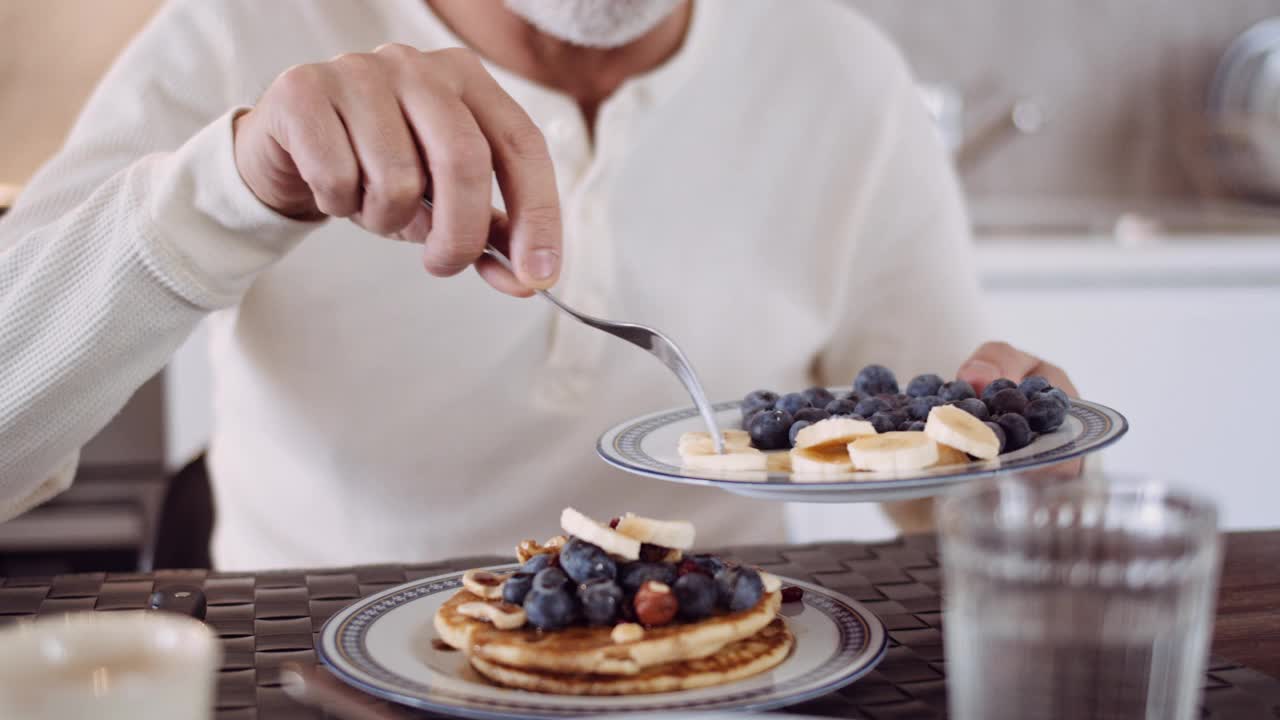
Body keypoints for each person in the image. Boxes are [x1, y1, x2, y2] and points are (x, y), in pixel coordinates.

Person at [0, 0, 1074, 570]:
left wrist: (1021, 486)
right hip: (318, 677)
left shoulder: (841, 74)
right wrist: (231, 186)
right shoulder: (238, 28)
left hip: (729, 671)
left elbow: (950, 491)